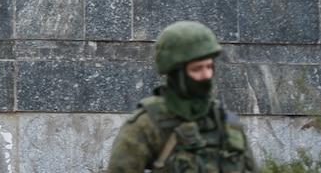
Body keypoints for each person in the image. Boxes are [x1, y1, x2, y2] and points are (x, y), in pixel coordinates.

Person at [106, 21, 256, 172]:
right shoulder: (147, 124)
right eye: (197, 69)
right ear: (177, 73)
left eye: (209, 67)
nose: (206, 76)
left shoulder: (226, 122)